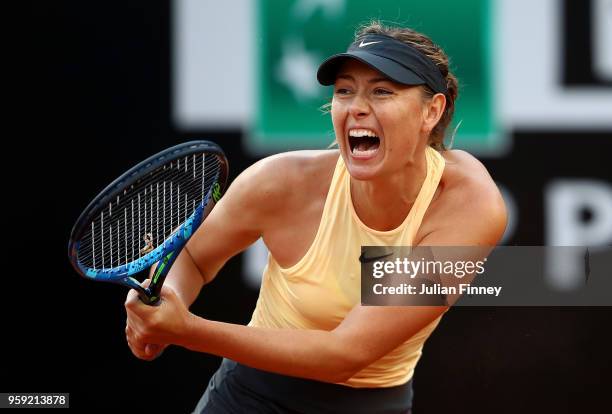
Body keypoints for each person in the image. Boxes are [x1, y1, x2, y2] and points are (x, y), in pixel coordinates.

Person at [124, 21, 507, 413]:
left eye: (381, 91)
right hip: (248, 399)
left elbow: (346, 352)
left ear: (432, 111)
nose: (357, 107)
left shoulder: (466, 206)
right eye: (345, 91)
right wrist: (166, 298)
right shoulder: (279, 183)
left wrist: (185, 330)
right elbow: (192, 258)